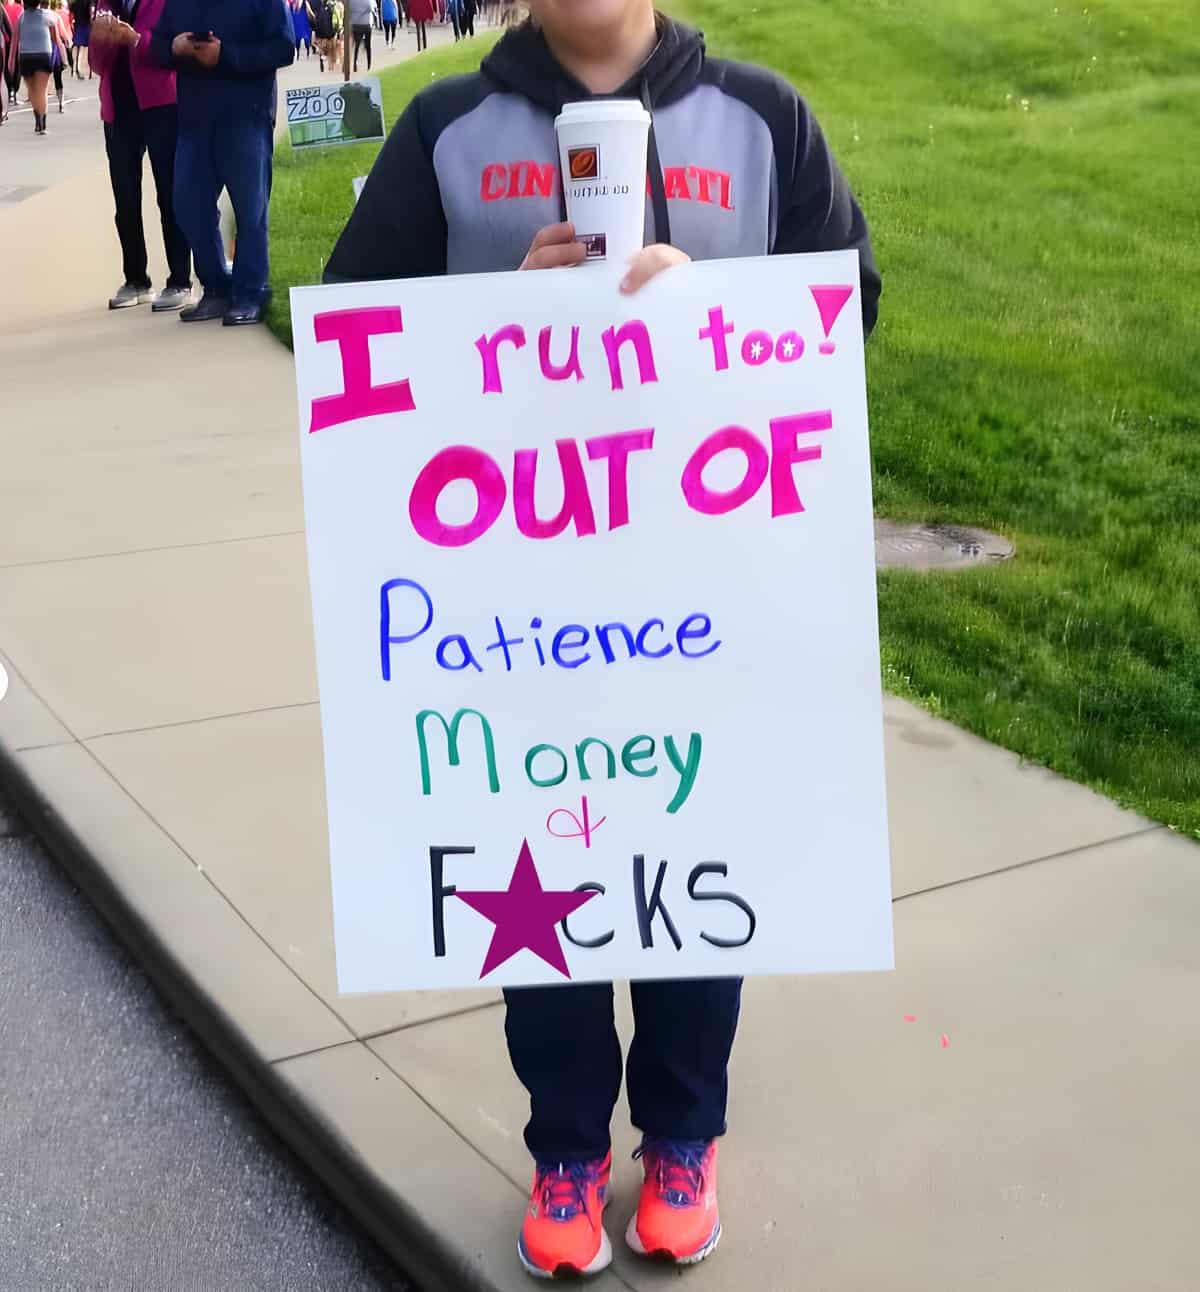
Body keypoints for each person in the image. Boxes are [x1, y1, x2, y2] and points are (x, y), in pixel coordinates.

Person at [322, 0, 880, 1281]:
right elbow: (347, 332)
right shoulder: (447, 128)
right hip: (519, 619)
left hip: (709, 599)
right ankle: (567, 1144)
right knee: (547, 887)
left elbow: (846, 315)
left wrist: (717, 313)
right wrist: (483, 334)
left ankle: (684, 1134)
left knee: (696, 875)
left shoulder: (760, 117)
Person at [151, 0, 293, 326]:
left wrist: (225, 56)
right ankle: (215, 287)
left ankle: (249, 292)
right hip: (194, 121)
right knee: (188, 206)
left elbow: (283, 48)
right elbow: (157, 46)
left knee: (250, 211)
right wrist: (173, 47)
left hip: (247, 117)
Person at [88, 1, 191, 311]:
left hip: (161, 104)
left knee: (170, 195)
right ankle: (135, 279)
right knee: (125, 198)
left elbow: (178, 51)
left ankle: (180, 281)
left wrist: (135, 39)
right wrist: (102, 40)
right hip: (118, 108)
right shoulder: (105, 5)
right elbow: (96, 64)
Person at [13, 0, 67, 133]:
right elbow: (57, 40)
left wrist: (10, 63)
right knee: (41, 90)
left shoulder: (21, 17)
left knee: (32, 89)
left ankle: (37, 118)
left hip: (26, 56)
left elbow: (15, 42)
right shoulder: (49, 16)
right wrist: (63, 58)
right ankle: (42, 123)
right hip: (43, 54)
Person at [348, 0, 370, 70]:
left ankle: (355, 62)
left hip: (355, 24)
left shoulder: (351, 2)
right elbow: (369, 9)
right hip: (365, 24)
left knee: (356, 45)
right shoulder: (366, 1)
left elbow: (350, 10)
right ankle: (368, 64)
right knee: (368, 45)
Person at [67, 0, 88, 75]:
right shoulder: (86, 3)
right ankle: (78, 67)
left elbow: (71, 15)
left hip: (77, 25)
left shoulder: (74, 4)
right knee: (81, 48)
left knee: (76, 45)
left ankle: (74, 66)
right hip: (85, 25)